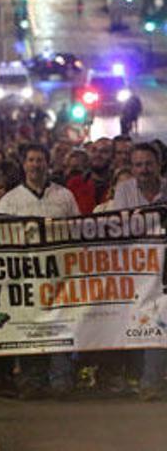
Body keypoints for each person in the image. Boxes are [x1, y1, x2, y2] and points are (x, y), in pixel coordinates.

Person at [0, 143, 79, 399]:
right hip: (26, 277)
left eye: (40, 160)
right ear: (24, 165)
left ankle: (60, 378)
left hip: (59, 276)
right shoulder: (9, 200)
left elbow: (78, 231)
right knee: (29, 328)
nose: (36, 164)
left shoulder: (64, 196)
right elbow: (0, 239)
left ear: (48, 163)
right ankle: (32, 379)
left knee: (61, 326)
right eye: (31, 160)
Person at [110, 143, 167, 400]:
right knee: (143, 324)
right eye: (138, 165)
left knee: (159, 322)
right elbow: (120, 227)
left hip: (165, 269)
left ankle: (151, 381)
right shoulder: (124, 191)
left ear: (159, 164)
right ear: (131, 168)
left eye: (148, 164)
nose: (144, 170)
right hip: (136, 268)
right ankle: (144, 378)